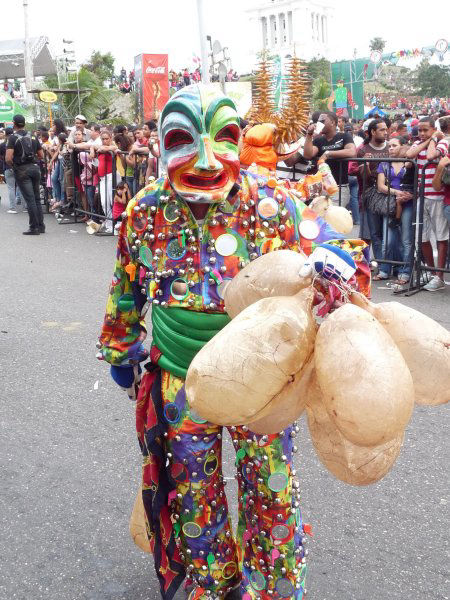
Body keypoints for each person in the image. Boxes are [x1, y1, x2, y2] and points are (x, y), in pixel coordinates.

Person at [97, 84, 369, 600]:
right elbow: (125, 284)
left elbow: (341, 252)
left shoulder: (274, 203)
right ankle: (212, 584)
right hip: (180, 379)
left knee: (269, 485)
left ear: (239, 140)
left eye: (222, 137)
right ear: (159, 144)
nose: (203, 159)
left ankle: (272, 588)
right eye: (181, 138)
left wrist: (340, 268)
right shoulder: (144, 210)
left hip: (261, 382)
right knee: (192, 489)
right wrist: (119, 346)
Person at [406, 117, 449, 291]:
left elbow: (432, 156)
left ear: (434, 129)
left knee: (441, 236)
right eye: (420, 131)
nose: (422, 134)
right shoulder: (419, 143)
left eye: (426, 130)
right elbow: (409, 155)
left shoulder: (443, 142)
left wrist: (433, 140)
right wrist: (427, 140)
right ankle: (431, 272)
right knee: (422, 236)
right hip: (421, 196)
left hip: (437, 196)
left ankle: (439, 276)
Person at [375, 137, 414, 283]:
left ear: (402, 147)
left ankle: (405, 271)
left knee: (406, 239)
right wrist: (397, 193)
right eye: (389, 146)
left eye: (394, 145)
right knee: (388, 239)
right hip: (390, 204)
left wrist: (407, 195)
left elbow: (416, 182)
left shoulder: (410, 163)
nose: (390, 148)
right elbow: (381, 186)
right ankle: (385, 270)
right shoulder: (384, 164)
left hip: (408, 202)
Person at [303, 111, 356, 206]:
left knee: (333, 218)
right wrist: (309, 134)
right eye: (318, 121)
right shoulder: (318, 140)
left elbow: (352, 152)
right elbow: (308, 154)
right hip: (322, 187)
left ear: (332, 122)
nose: (319, 123)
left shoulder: (344, 136)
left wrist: (328, 154)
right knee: (320, 218)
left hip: (339, 187)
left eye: (323, 121)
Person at [354, 118, 389, 259]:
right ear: (372, 132)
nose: (385, 133)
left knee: (388, 231)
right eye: (382, 130)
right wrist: (366, 164)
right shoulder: (362, 149)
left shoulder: (390, 147)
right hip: (369, 194)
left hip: (389, 194)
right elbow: (362, 175)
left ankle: (389, 264)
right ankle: (370, 263)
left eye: (386, 129)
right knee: (370, 233)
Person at [5, 114, 45, 235]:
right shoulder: (33, 136)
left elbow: (8, 158)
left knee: (30, 200)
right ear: (24, 123)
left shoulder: (12, 138)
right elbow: (41, 155)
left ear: (14, 124)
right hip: (34, 168)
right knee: (37, 199)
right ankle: (41, 226)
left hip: (22, 170)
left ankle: (34, 228)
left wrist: (14, 167)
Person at [95, 129, 117, 233]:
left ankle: (114, 224)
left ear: (110, 138)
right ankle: (109, 224)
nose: (105, 141)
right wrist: (92, 149)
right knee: (104, 202)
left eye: (106, 139)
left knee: (111, 201)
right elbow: (92, 148)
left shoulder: (112, 147)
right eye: (103, 139)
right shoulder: (100, 147)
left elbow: (114, 148)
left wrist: (103, 148)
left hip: (111, 176)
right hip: (102, 177)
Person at [1, 126, 24, 213]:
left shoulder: (3, 145)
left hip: (8, 167)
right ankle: (25, 207)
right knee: (21, 186)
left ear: (5, 134)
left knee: (11, 188)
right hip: (19, 167)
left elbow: (3, 157)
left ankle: (12, 208)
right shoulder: (18, 141)